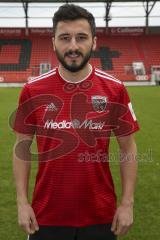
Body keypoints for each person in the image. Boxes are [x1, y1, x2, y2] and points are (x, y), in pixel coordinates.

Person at [12, 4, 139, 240]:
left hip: (101, 216)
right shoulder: (32, 90)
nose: (73, 46)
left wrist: (127, 203)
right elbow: (22, 147)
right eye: (65, 38)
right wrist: (22, 202)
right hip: (46, 217)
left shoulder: (115, 89)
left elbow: (128, 147)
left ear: (94, 42)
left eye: (81, 37)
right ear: (53, 42)